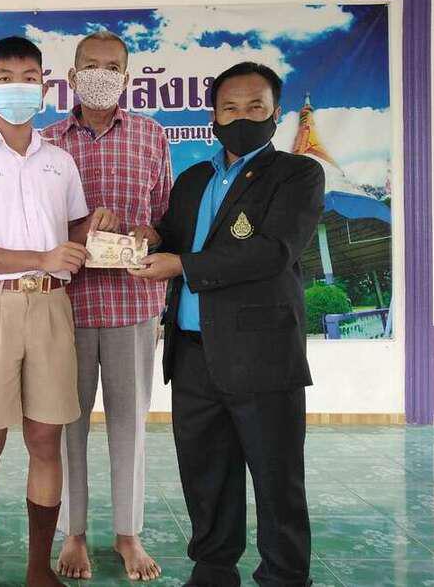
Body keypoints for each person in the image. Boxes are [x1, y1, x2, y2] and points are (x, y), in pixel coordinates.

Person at [0, 36, 118, 587]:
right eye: (5, 78)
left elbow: (69, 235)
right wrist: (40, 256)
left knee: (44, 441)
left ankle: (40, 570)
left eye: (29, 77)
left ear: (44, 86)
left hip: (53, 307)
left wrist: (93, 228)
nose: (18, 87)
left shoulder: (60, 162)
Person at [130, 62, 324, 587]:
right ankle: (214, 568)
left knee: (276, 475)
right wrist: (147, 237)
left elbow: (273, 251)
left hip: (262, 354)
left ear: (276, 113)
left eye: (256, 108)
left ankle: (285, 575)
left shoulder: (297, 175)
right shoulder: (194, 179)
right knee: (205, 473)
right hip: (193, 353)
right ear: (213, 117)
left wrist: (182, 265)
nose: (242, 118)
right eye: (230, 108)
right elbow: (174, 236)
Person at [41, 30, 172, 582]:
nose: (101, 74)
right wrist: (79, 230)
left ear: (126, 75)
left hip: (132, 304)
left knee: (130, 425)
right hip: (64, 307)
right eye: (91, 66)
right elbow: (34, 228)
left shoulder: (150, 135)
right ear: (72, 76)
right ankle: (72, 532)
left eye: (112, 66)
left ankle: (127, 533)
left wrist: (147, 232)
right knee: (65, 425)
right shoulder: (46, 142)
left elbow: (165, 219)